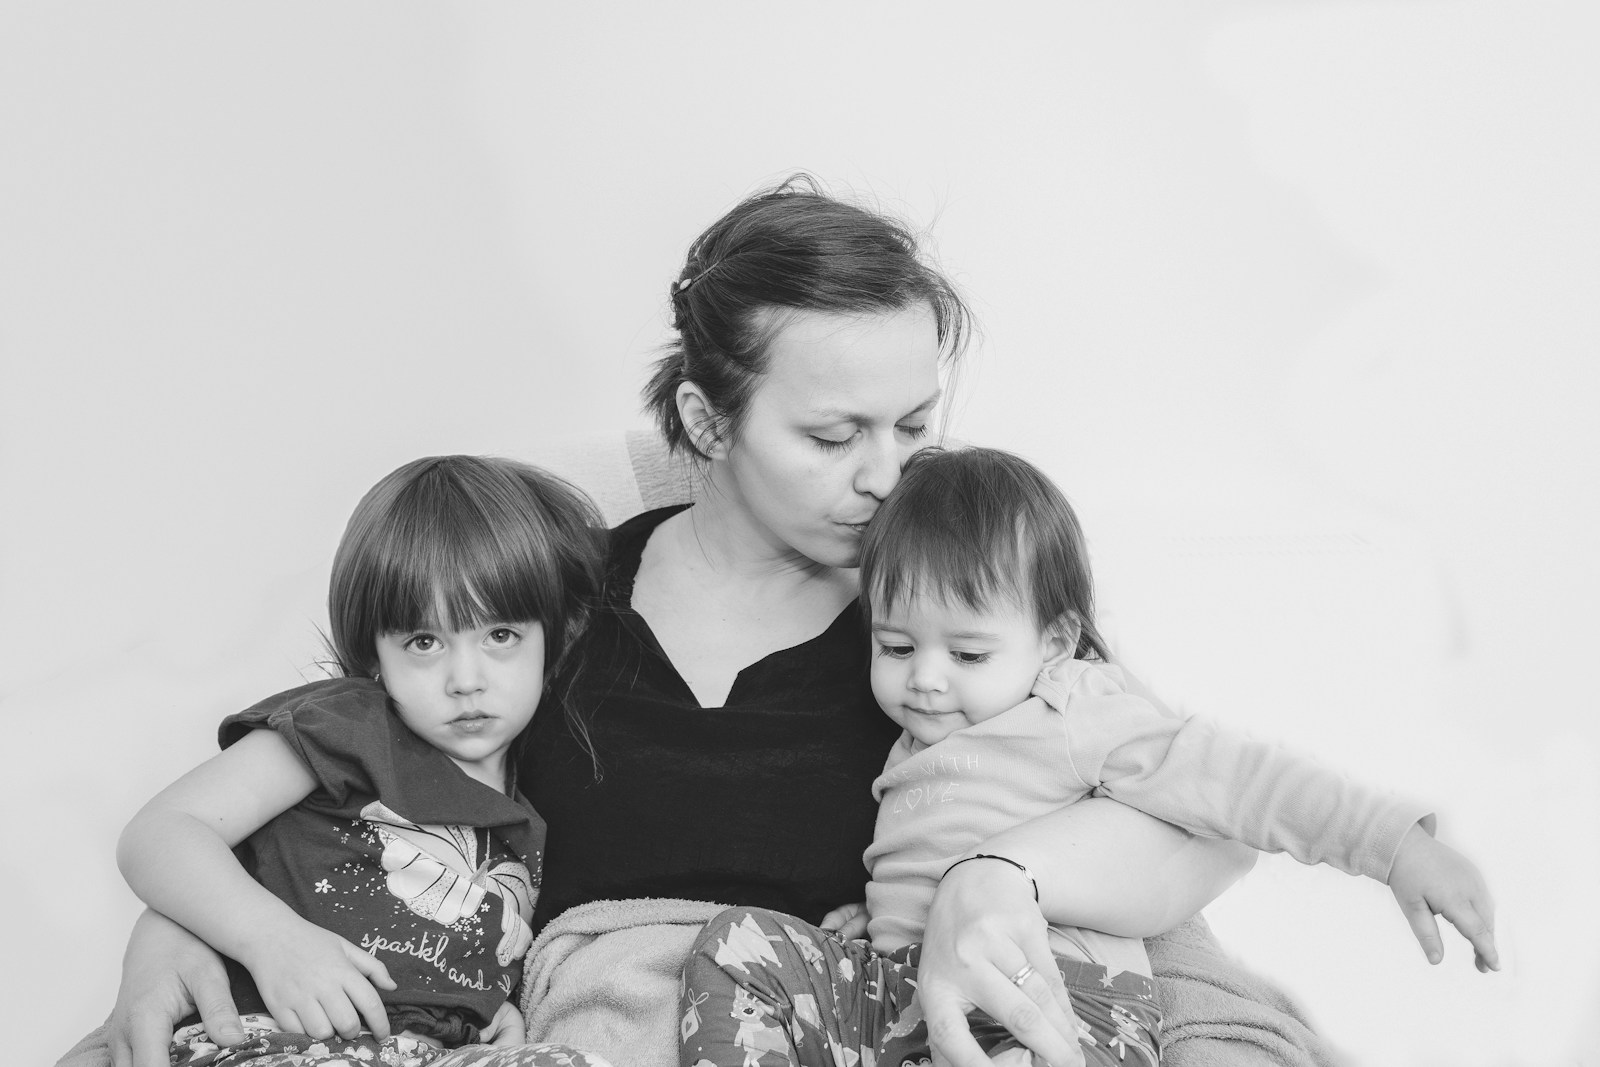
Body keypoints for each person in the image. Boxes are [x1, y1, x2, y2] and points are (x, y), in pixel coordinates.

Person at [81, 177, 1327, 1067]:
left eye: (914, 425)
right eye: (835, 435)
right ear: (705, 417)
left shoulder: (945, 619)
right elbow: (367, 771)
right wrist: (179, 919)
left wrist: (1001, 874)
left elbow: (1198, 830)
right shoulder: (555, 589)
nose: (888, 474)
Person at [678, 446, 1500, 1067]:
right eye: (896, 644)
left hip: (1057, 1004)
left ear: (1056, 640)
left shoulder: (1074, 705)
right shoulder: (921, 739)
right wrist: (885, 915)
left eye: (967, 654)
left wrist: (1394, 845)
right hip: (907, 990)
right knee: (736, 942)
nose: (924, 679)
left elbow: (1236, 778)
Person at [114, 455, 615, 1067]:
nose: (466, 679)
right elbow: (160, 833)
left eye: (501, 636)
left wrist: (482, 1007)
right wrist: (274, 942)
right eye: (424, 642)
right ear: (374, 655)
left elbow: (445, 944)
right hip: (269, 1037)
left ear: (553, 637)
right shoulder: (349, 725)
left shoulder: (529, 812)